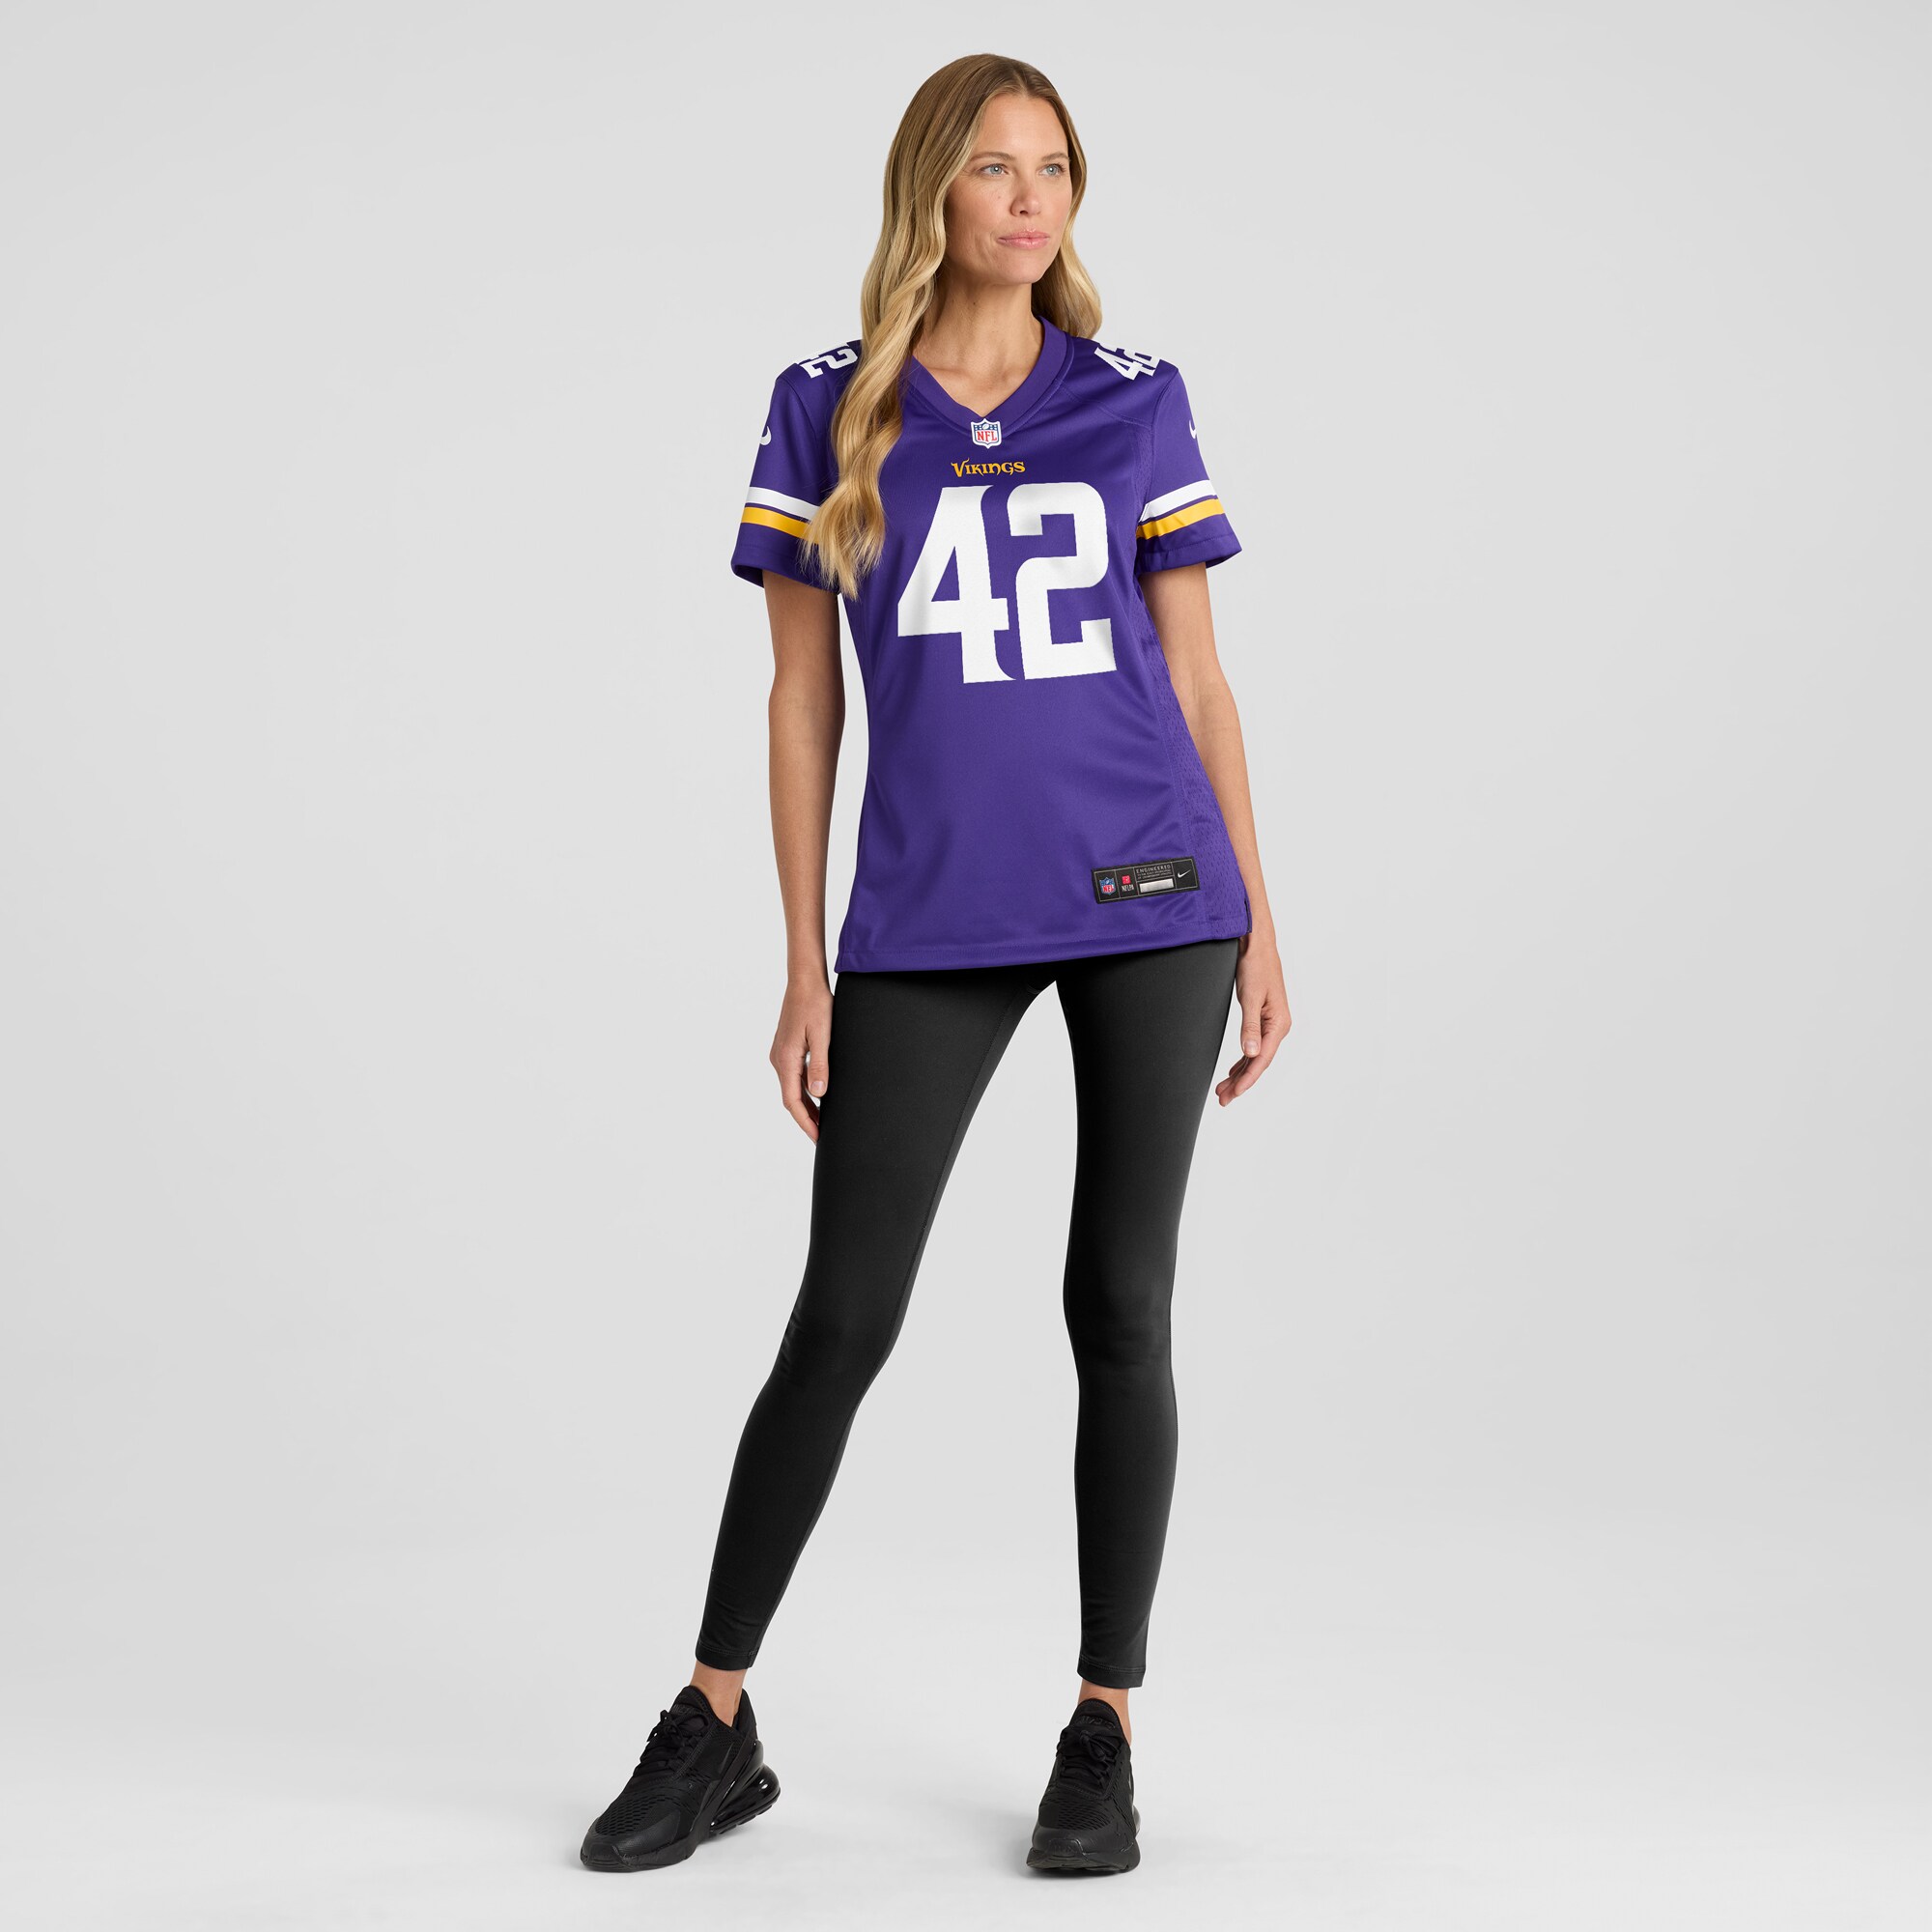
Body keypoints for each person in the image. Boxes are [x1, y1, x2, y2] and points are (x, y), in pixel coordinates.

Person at [579, 52, 1290, 1878]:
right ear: (932, 193)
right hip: (931, 915)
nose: (1030, 199)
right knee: (844, 1314)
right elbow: (800, 699)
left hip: (1154, 896)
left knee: (1120, 1304)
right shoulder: (827, 407)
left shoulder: (1134, 399)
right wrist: (803, 960)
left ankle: (1103, 1723)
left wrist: (1261, 915)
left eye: (1055, 168)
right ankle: (715, 1718)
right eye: (994, 168)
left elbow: (1197, 676)